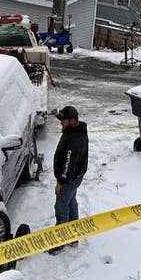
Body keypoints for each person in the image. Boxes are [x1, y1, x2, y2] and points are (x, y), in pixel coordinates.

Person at [49, 105, 88, 255]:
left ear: (72, 121)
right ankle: (73, 234)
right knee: (71, 201)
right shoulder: (73, 131)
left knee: (61, 205)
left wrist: (62, 181)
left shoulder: (75, 139)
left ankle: (61, 238)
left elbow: (68, 162)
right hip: (75, 176)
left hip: (69, 178)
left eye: (63, 121)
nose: (61, 124)